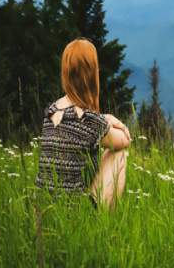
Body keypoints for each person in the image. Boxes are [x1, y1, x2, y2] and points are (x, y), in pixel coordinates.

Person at [34, 38, 131, 213]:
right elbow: (125, 140)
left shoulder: (50, 112)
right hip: (74, 213)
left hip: (44, 212)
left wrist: (105, 117)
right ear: (92, 75)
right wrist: (112, 120)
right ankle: (106, 224)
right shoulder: (90, 121)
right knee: (119, 155)